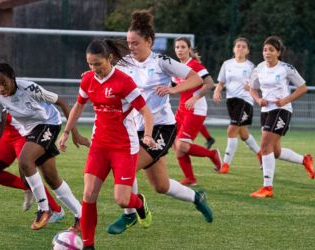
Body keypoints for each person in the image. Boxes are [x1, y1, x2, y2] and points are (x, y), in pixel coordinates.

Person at [106, 9, 213, 236]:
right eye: (128, 43)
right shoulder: (125, 63)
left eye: (135, 43)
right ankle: (197, 197)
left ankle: (130, 215)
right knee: (161, 186)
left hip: (161, 127)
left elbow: (195, 79)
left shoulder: (162, 61)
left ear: (149, 41)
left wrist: (173, 89)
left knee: (126, 166)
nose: (131, 47)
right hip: (135, 128)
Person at [58, 39, 157, 250]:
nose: (94, 69)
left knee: (122, 200)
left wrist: (147, 135)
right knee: (88, 194)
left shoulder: (124, 81)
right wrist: (66, 132)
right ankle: (88, 245)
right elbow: (78, 106)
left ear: (109, 59)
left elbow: (146, 112)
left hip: (123, 147)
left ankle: (139, 203)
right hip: (99, 146)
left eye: (98, 64)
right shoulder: (87, 80)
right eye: (90, 64)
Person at [0, 63, 89, 230]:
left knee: (25, 160)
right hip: (30, 131)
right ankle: (81, 215)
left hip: (49, 123)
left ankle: (44, 209)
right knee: (51, 177)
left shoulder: (30, 88)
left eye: (4, 83)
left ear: (12, 79)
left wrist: (73, 133)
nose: (1, 88)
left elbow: (63, 103)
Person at [249, 36, 315, 198]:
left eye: (271, 50)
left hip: (282, 111)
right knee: (275, 151)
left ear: (278, 53)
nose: (267, 53)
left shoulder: (286, 68)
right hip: (266, 112)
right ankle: (304, 160)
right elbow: (252, 87)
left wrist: (285, 99)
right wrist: (258, 100)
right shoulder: (259, 68)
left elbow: (302, 88)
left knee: (265, 146)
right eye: (265, 50)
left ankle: (267, 188)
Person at [164, 36, 221, 186]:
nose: (180, 50)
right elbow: (175, 87)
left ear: (189, 49)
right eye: (177, 47)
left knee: (182, 145)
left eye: (183, 47)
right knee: (177, 145)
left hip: (196, 109)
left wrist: (195, 97)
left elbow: (209, 83)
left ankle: (212, 154)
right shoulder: (175, 67)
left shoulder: (195, 65)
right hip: (182, 109)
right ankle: (190, 178)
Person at [213, 37, 261, 174]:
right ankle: (260, 154)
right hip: (231, 101)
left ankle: (226, 165)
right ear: (234, 49)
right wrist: (217, 91)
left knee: (231, 130)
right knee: (243, 133)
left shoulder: (251, 66)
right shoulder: (227, 64)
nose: (240, 48)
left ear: (247, 51)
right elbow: (221, 82)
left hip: (245, 101)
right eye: (238, 46)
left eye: (243, 46)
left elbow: (258, 85)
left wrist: (251, 85)